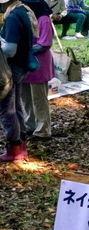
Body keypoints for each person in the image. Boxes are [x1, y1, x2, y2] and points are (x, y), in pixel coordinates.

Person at [0, 0, 35, 162]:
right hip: (21, 66)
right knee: (16, 106)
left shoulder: (13, 17)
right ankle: (21, 145)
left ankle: (14, 149)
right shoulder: (22, 11)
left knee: (7, 109)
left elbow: (10, 50)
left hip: (12, 68)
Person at [21, 0, 53, 140]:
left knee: (39, 99)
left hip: (39, 64)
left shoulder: (43, 19)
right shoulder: (28, 19)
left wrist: (23, 49)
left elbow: (44, 44)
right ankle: (30, 125)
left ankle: (43, 130)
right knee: (26, 97)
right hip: (26, 63)